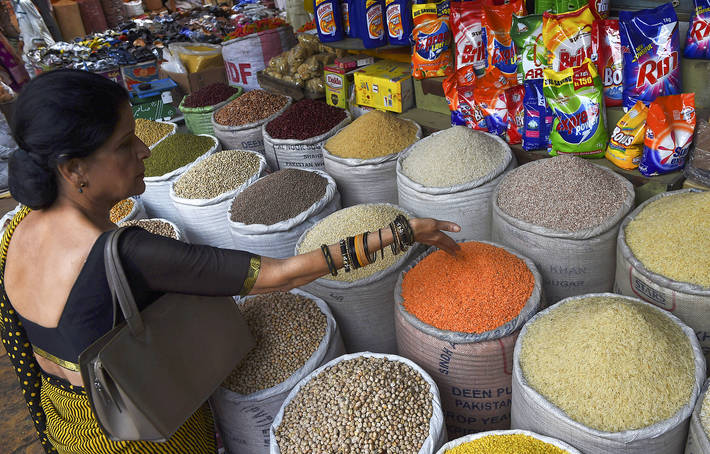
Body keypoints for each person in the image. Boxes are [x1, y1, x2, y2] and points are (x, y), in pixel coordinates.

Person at [1, 69, 461, 454]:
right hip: (143, 437)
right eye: (124, 144)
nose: (144, 150)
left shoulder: (14, 229)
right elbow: (281, 274)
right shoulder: (127, 254)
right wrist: (402, 232)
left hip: (70, 427)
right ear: (72, 168)